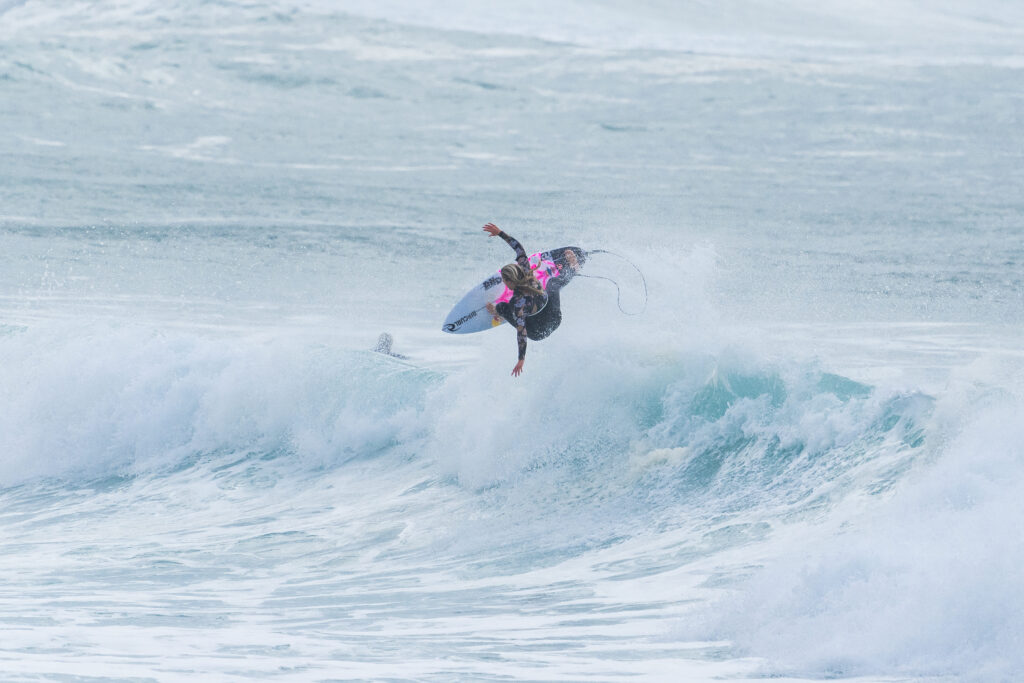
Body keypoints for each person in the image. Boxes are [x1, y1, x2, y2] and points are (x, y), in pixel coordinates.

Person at [481, 223, 582, 376]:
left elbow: (521, 331)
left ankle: (497, 312)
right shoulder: (528, 272)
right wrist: (500, 233)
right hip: (555, 319)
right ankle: (573, 270)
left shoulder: (517, 303)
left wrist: (521, 359)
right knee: (552, 284)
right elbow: (519, 249)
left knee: (503, 306)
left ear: (509, 282)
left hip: (538, 333)